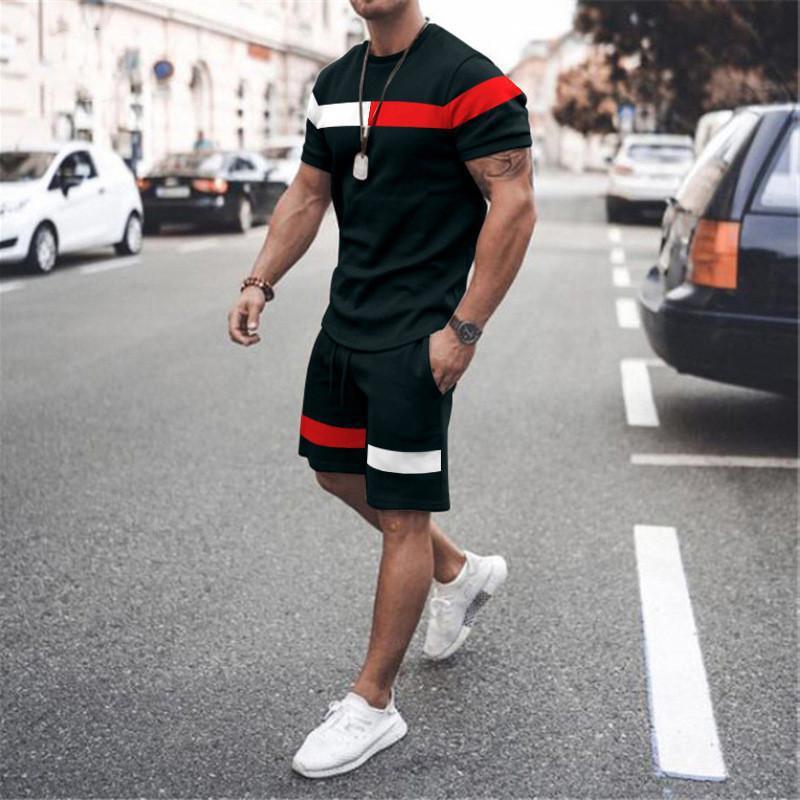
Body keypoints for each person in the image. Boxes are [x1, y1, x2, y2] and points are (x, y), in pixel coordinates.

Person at [227, 0, 536, 779]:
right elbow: (306, 194)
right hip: (346, 324)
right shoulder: (334, 81)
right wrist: (261, 278)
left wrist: (463, 329)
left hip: (418, 335)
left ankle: (373, 703)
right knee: (335, 471)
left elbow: (515, 205)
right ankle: (459, 571)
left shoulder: (471, 80)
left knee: (403, 512)